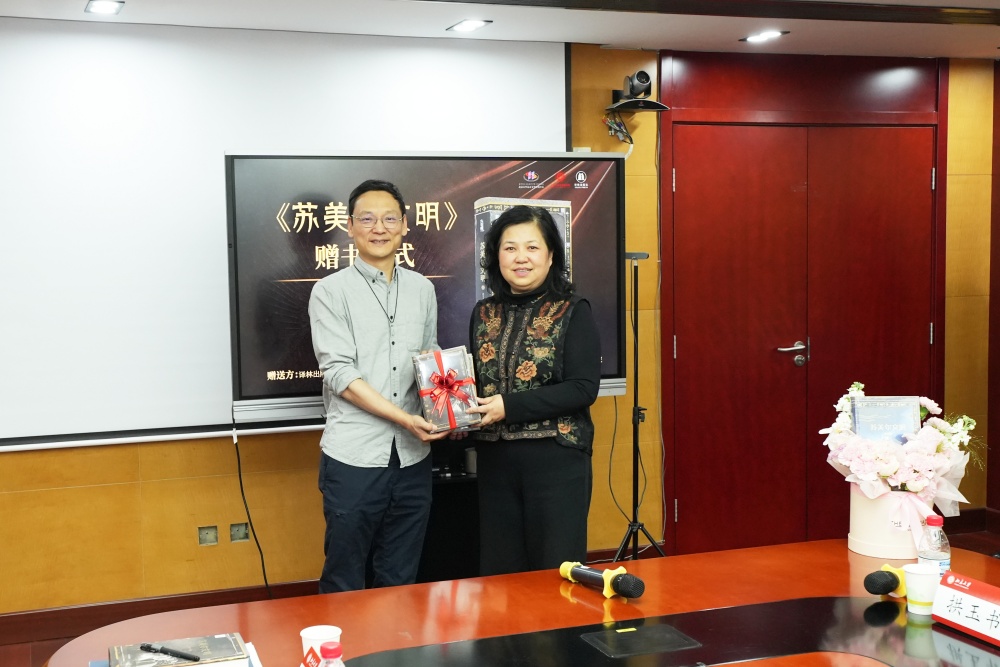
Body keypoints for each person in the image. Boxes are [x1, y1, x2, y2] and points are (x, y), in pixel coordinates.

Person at [308, 179, 447, 593]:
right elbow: (340, 375)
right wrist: (405, 419)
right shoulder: (329, 292)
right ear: (349, 226)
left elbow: (430, 358)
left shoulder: (423, 289)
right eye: (367, 219)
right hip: (354, 457)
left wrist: (449, 405)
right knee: (344, 577)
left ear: (404, 224)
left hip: (413, 459)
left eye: (389, 219)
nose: (379, 228)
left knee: (401, 577)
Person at [467, 205, 601, 575]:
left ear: (551, 255)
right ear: (496, 256)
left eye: (532, 247)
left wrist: (508, 406)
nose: (520, 258)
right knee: (501, 575)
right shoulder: (483, 313)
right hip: (495, 464)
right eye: (510, 248)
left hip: (556, 462)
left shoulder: (573, 310)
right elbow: (476, 381)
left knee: (555, 572)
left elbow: (583, 388)